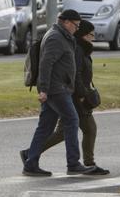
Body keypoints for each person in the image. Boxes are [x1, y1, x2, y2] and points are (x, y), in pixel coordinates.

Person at [20, 9, 94, 176]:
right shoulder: (55, 38)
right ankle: (73, 163)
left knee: (45, 127)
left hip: (59, 87)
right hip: (56, 89)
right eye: (76, 25)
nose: (77, 28)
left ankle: (30, 163)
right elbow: (46, 64)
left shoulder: (63, 36)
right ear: (66, 22)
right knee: (72, 120)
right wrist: (44, 89)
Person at [39, 20, 107, 175]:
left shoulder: (82, 49)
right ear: (83, 35)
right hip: (76, 97)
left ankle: (31, 153)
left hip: (73, 95)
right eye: (91, 34)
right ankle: (88, 163)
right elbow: (75, 75)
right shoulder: (78, 50)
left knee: (62, 132)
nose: (93, 38)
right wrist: (82, 95)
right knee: (90, 129)